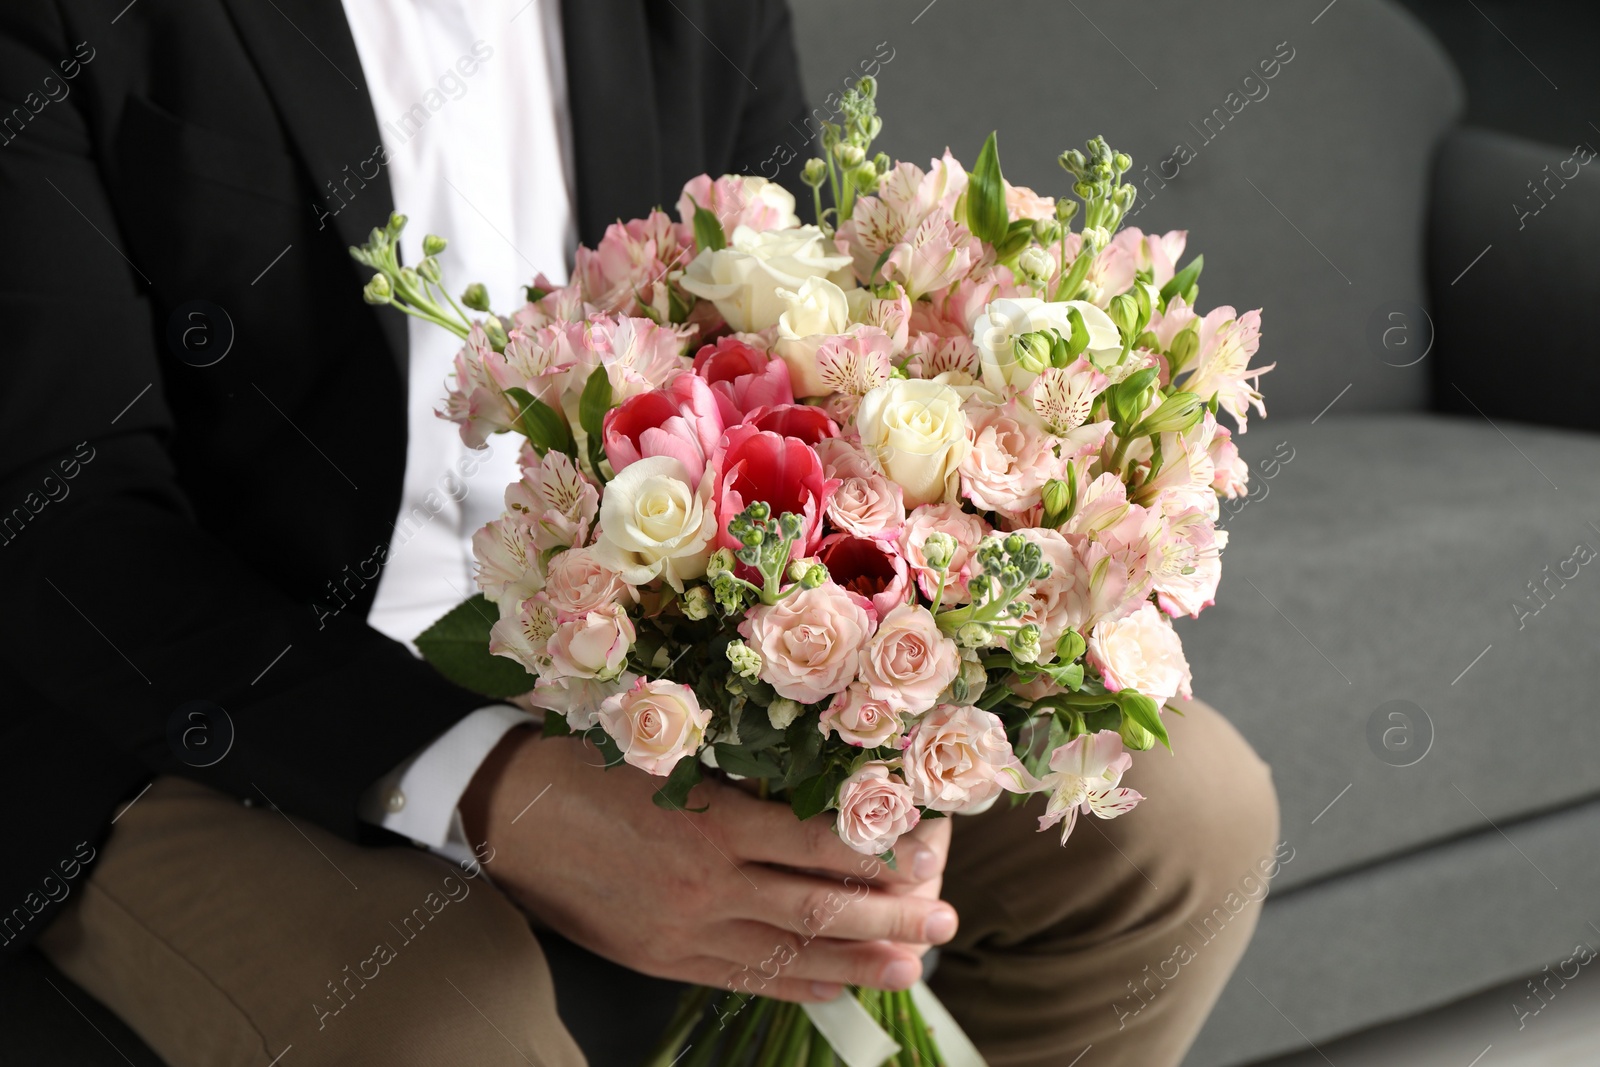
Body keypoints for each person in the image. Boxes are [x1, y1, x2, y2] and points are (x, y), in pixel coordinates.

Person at [0, 1, 1279, 1064]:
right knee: (444, 1026)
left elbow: (793, 339)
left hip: (633, 637)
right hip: (189, 701)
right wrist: (490, 784)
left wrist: (895, 710)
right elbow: (64, 524)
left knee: (1186, 815)